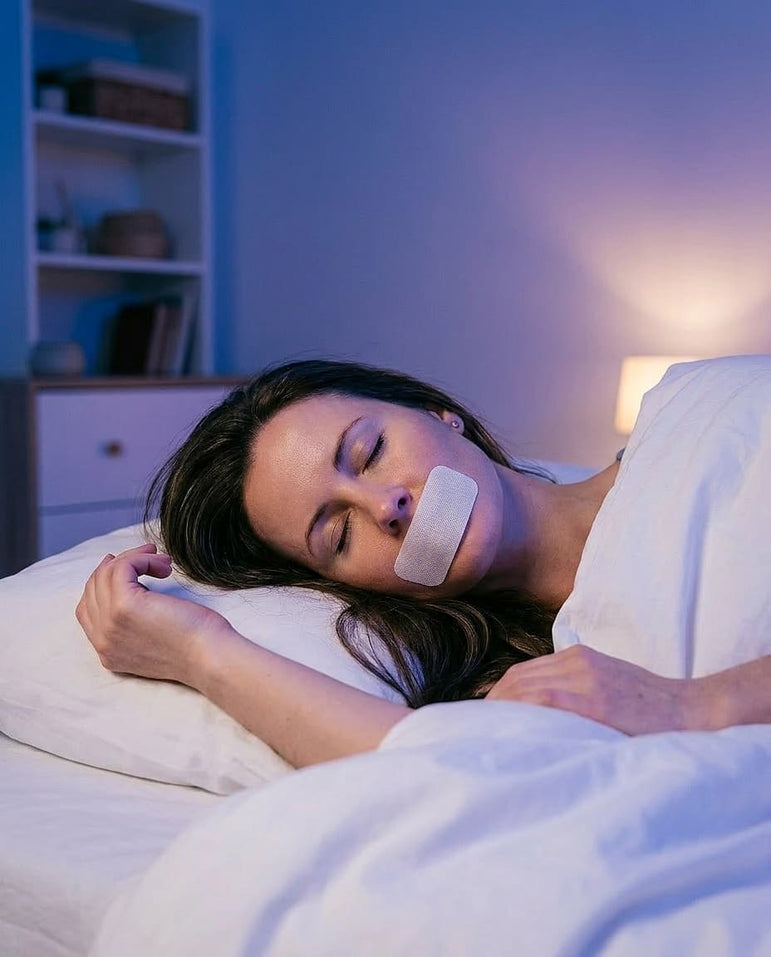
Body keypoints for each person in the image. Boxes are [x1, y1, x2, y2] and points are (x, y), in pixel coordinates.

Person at [76, 358, 771, 770]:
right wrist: (200, 653)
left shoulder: (705, 413)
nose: (387, 506)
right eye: (337, 532)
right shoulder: (535, 684)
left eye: (369, 451)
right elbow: (431, 771)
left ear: (441, 414)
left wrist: (698, 704)